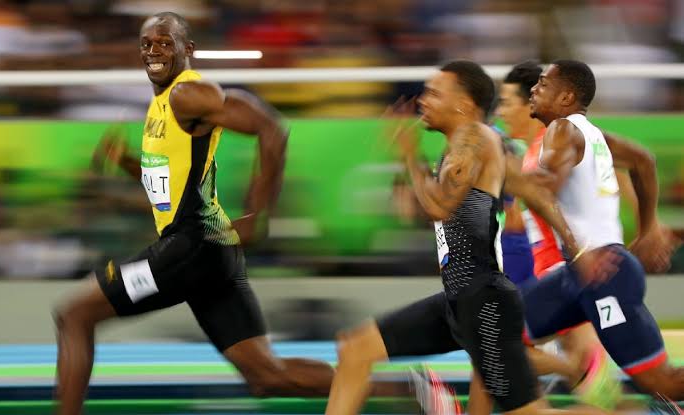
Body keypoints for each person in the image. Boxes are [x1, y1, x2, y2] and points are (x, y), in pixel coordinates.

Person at [52, 12, 335, 415]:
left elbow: (272, 129)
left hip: (190, 247)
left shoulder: (187, 94)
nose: (154, 51)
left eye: (165, 43)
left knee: (74, 316)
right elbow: (171, 188)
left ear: (188, 50)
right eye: (147, 44)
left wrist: (258, 213)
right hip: (210, 252)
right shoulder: (161, 105)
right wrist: (129, 163)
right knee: (266, 377)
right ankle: (400, 388)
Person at [324, 60, 618, 415]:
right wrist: (577, 249)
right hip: (458, 302)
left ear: (463, 103)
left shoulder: (475, 138)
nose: (423, 101)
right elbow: (536, 194)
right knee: (356, 349)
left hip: (484, 304)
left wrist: (409, 156)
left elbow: (440, 205)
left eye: (434, 94)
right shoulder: (472, 146)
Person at [518, 60, 684, 401]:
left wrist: (502, 174)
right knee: (499, 332)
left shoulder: (562, 130)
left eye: (543, 84)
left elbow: (547, 186)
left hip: (604, 275)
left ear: (566, 97)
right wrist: (648, 228)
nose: (533, 89)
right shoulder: (592, 134)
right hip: (578, 273)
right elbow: (643, 160)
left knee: (662, 383)